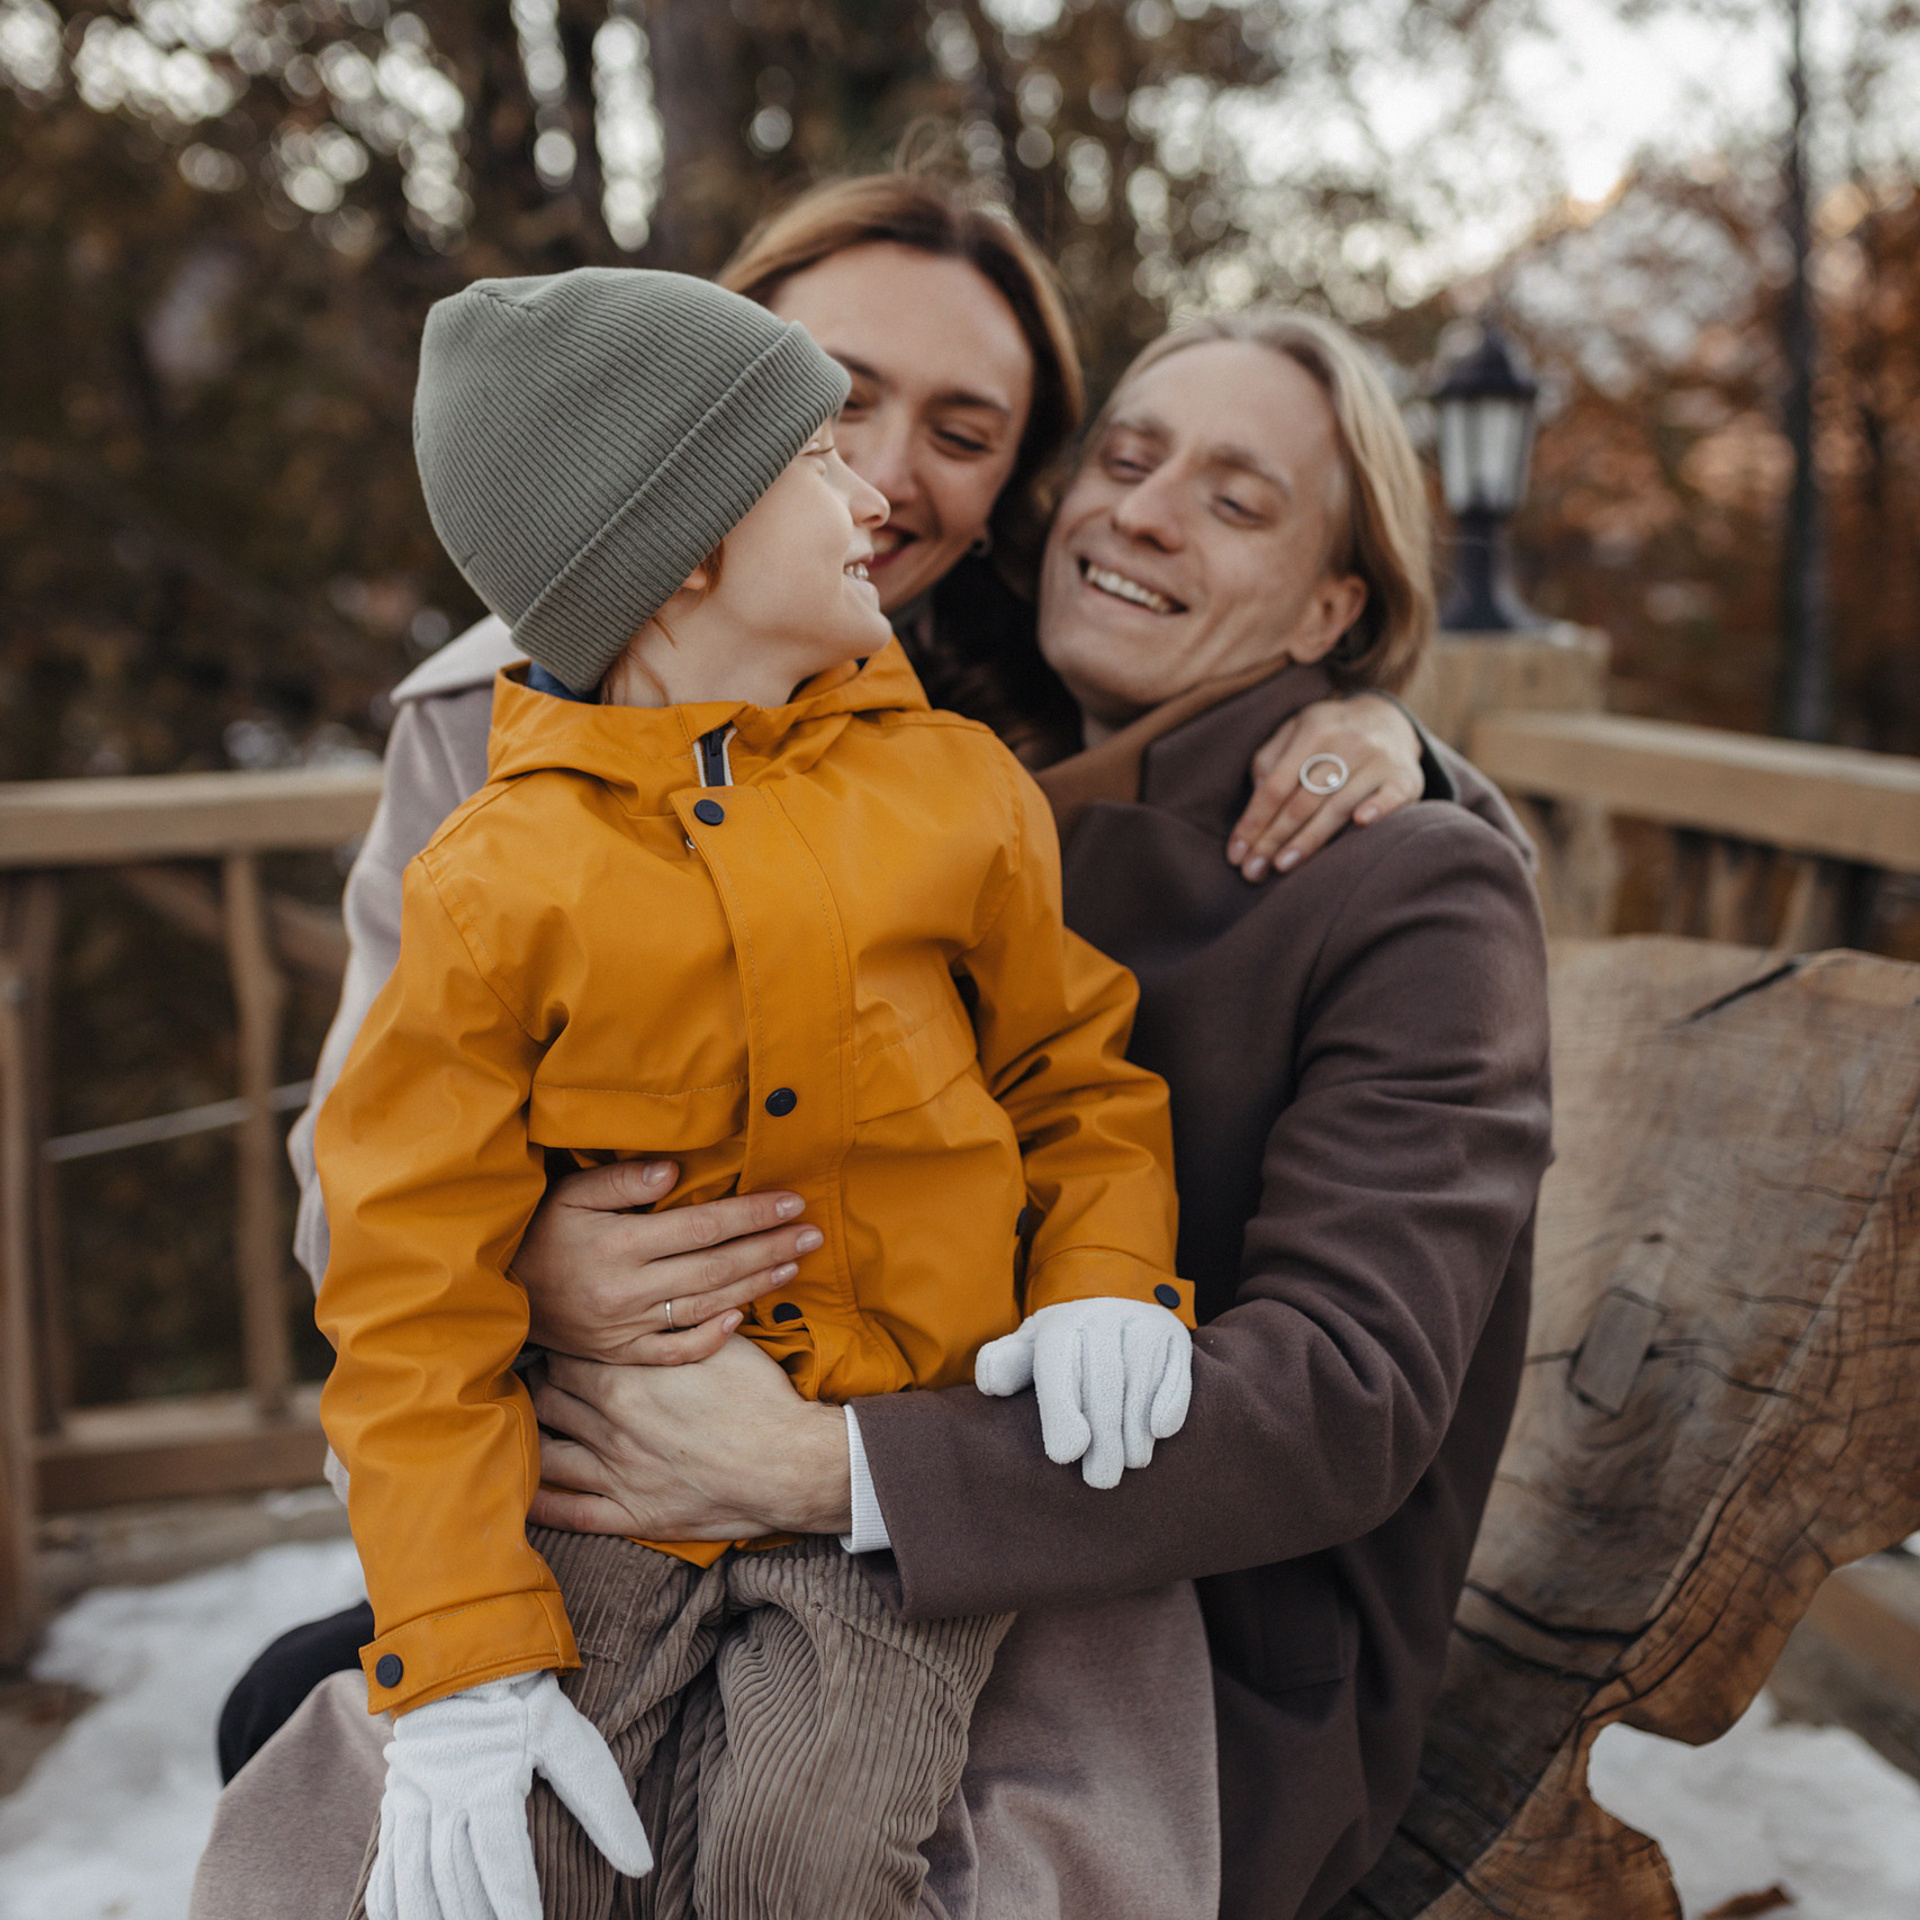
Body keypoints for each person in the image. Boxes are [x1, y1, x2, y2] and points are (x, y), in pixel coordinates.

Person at [194, 176, 1542, 1920]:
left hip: (1073, 1552)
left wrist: (1416, 754)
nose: (889, 475)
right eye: (840, 409)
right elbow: (378, 1203)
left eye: (966, 430)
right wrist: (549, 1261)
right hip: (662, 1472)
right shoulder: (636, 737)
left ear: (1326, 607)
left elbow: (1194, 1168)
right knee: (349, 1769)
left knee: (771, 1851)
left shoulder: (973, 757)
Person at [320, 266, 1198, 1920]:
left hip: (892, 1495)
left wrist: (1101, 1287)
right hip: (593, 1488)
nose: (875, 486)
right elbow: (401, 1276)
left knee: (802, 1863)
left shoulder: (960, 790)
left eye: (950, 435)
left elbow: (1075, 1077)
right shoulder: (497, 880)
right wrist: (453, 1658)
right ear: (685, 544)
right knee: (534, 1862)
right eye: (818, 454)